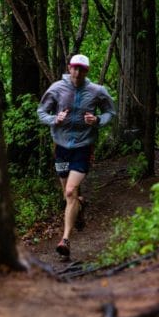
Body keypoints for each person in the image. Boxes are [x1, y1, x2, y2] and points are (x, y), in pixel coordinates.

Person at [37, 54, 116, 257]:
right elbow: (41, 112)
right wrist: (55, 119)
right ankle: (79, 208)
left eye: (82, 69)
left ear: (87, 71)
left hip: (83, 146)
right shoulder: (56, 88)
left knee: (71, 191)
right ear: (69, 68)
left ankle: (65, 240)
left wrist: (97, 119)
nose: (77, 72)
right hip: (61, 146)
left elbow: (110, 113)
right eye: (74, 68)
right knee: (67, 195)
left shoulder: (97, 91)